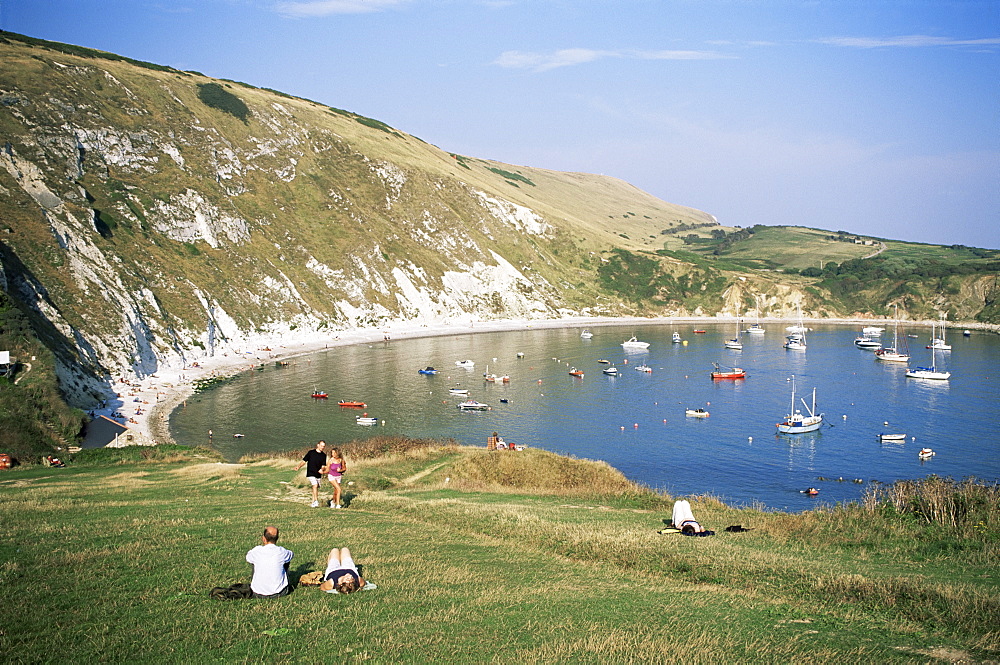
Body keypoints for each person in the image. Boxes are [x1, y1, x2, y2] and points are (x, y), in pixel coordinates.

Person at [246, 526, 293, 598]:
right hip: (280, 592)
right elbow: (291, 554)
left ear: (264, 539)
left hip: (257, 592)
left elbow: (248, 557)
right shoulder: (282, 551)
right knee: (286, 561)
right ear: (277, 538)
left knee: (254, 560)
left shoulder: (257, 551)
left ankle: (259, 582)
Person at [295, 440, 327, 507]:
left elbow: (323, 465)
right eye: (321, 446)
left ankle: (313, 502)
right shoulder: (311, 452)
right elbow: (304, 461)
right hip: (311, 472)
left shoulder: (324, 455)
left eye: (323, 446)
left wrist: (322, 469)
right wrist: (298, 467)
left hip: (318, 474)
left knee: (316, 487)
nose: (322, 447)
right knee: (315, 485)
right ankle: (316, 501)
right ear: (318, 445)